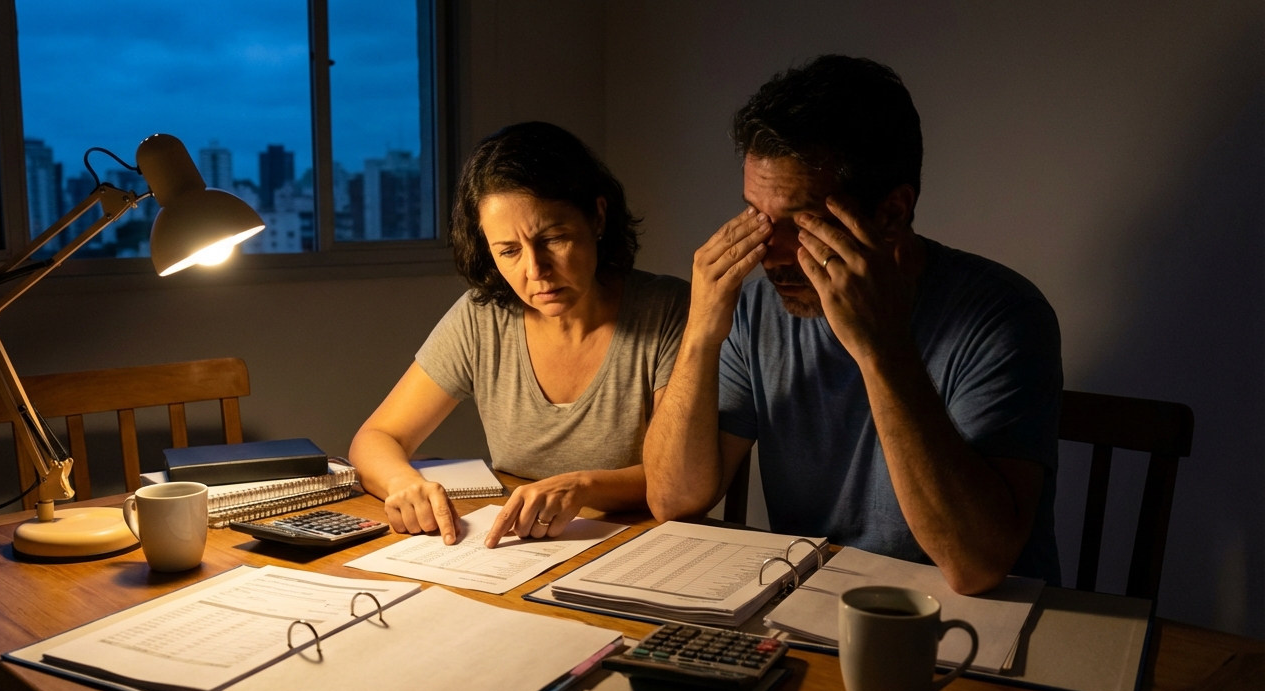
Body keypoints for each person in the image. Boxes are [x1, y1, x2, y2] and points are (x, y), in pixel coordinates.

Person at [644, 55, 1062, 595]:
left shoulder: (1005, 317)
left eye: (798, 222)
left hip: (978, 633)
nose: (767, 253)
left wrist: (881, 349)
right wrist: (702, 331)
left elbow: (976, 564)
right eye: (756, 215)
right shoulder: (756, 310)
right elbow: (672, 500)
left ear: (892, 212)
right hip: (816, 607)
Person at [350, 122, 689, 548]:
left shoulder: (668, 310)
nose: (535, 271)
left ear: (598, 217)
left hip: (644, 549)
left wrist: (581, 487)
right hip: (518, 552)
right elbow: (376, 438)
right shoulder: (483, 317)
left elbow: (680, 479)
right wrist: (403, 483)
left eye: (553, 239)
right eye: (509, 251)